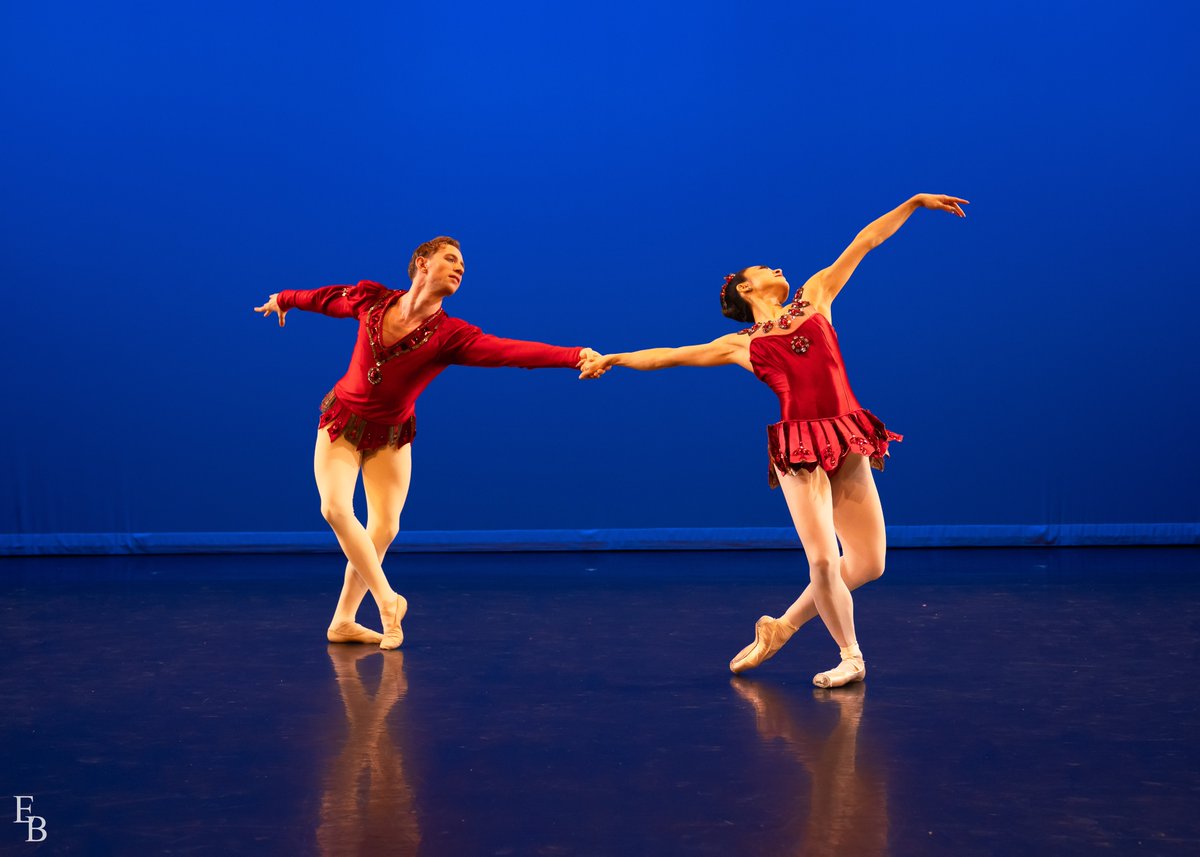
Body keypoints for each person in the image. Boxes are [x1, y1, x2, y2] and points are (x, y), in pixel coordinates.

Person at [581, 195, 967, 686]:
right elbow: (668, 355)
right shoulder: (740, 344)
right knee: (823, 558)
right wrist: (612, 358)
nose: (777, 267)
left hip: (844, 433)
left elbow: (865, 241)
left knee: (869, 563)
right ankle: (851, 656)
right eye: (764, 267)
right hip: (799, 449)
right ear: (745, 287)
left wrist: (912, 204)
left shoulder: (816, 296)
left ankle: (781, 628)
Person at [255, 237, 596, 650]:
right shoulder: (372, 301)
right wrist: (284, 299)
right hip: (343, 420)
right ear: (422, 263)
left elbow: (511, 352)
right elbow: (326, 299)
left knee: (385, 527)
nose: (460, 268)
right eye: (451, 259)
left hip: (391, 435)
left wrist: (575, 356)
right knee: (334, 508)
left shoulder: (451, 336)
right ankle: (388, 601)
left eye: (463, 265)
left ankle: (343, 620)